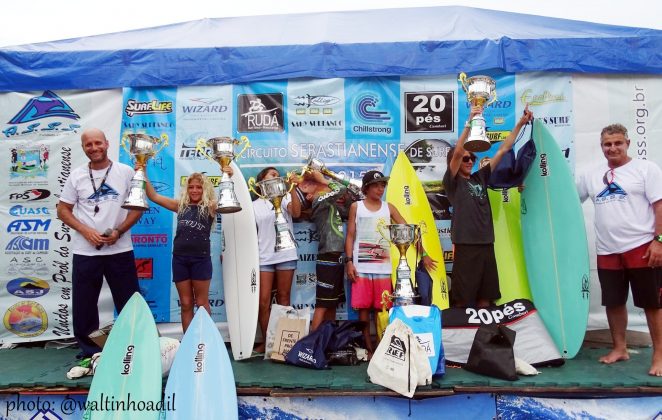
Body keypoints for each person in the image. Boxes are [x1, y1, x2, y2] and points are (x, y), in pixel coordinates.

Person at [577, 123, 662, 376]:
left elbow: (660, 207)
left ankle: (659, 355)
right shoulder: (591, 175)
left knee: (652, 304)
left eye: (617, 143)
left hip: (643, 247)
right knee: (613, 302)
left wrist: (659, 240)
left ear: (627, 143)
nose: (612, 148)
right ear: (601, 146)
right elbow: (566, 199)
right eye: (607, 144)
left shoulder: (646, 169)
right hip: (607, 250)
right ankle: (619, 348)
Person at [57, 128, 141, 361]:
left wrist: (119, 231)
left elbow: (138, 207)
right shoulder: (76, 176)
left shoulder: (125, 172)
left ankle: (131, 347)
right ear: (83, 148)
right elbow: (62, 210)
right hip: (86, 251)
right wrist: (85, 231)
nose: (94, 148)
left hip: (120, 248)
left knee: (129, 301)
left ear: (107, 143)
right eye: (88, 145)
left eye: (97, 143)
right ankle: (90, 351)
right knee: (84, 304)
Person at [443, 105, 533, 307]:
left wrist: (520, 123)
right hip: (465, 245)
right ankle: (464, 334)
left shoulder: (480, 177)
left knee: (487, 296)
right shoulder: (452, 182)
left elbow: (503, 149)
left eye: (472, 158)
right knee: (463, 298)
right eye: (466, 158)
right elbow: (457, 152)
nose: (469, 160)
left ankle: (486, 333)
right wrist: (470, 121)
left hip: (486, 243)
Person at [344, 170, 436, 354]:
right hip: (361, 267)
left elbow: (409, 231)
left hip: (383, 268)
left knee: (382, 309)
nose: (380, 189)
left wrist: (423, 253)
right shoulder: (356, 206)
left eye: (383, 185)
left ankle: (382, 347)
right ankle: (367, 348)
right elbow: (350, 236)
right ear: (366, 188)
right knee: (363, 309)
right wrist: (349, 262)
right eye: (376, 185)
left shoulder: (389, 207)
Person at [144, 169, 225, 333]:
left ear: (205, 189)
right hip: (180, 260)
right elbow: (154, 196)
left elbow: (229, 200)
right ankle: (188, 342)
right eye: (191, 187)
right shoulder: (180, 206)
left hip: (200, 260)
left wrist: (228, 174)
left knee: (201, 303)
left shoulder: (210, 207)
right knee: (186, 303)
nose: (194, 190)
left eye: (199, 187)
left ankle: (205, 341)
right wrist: (143, 171)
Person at [297, 169, 357, 330]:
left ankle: (327, 340)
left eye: (314, 182)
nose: (315, 184)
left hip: (336, 258)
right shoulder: (318, 201)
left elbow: (351, 193)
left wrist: (326, 178)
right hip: (327, 258)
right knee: (323, 304)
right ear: (308, 197)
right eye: (308, 185)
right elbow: (340, 189)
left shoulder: (330, 205)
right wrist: (322, 179)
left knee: (332, 304)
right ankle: (310, 345)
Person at [252, 167, 302, 354]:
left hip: (286, 254)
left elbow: (296, 213)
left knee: (283, 298)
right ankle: (267, 342)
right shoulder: (254, 205)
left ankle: (282, 343)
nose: (277, 176)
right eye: (272, 174)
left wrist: (294, 188)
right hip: (263, 256)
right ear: (261, 180)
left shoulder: (286, 198)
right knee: (263, 302)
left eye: (278, 175)